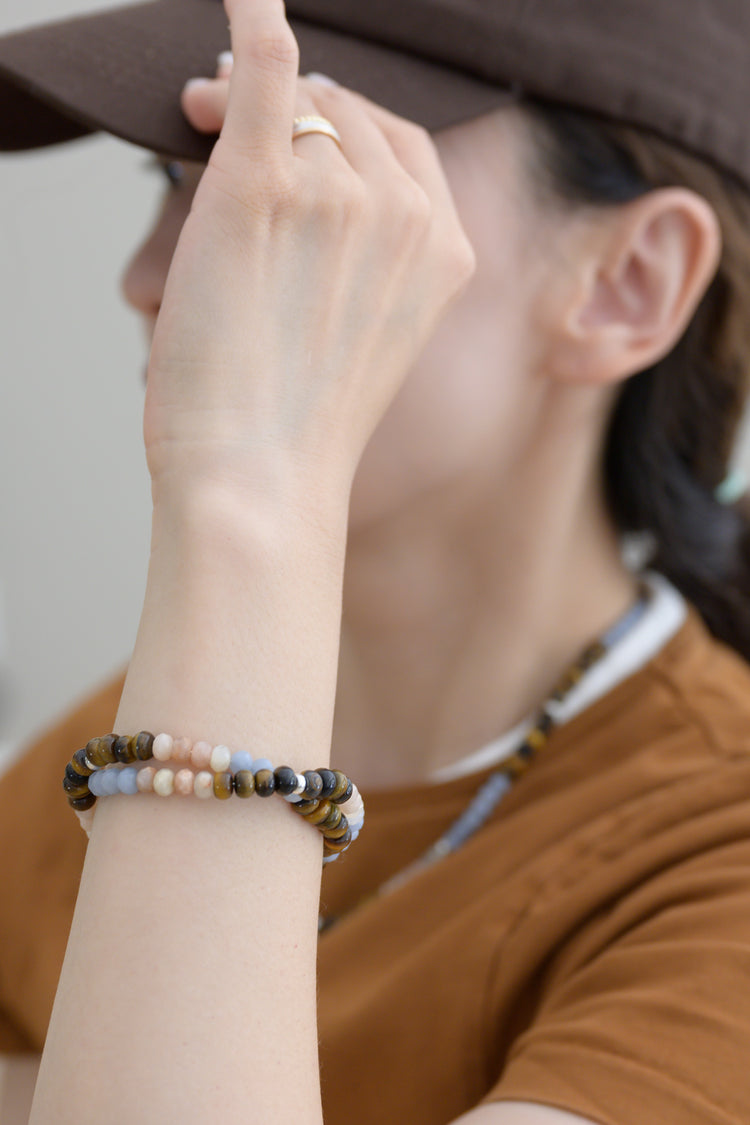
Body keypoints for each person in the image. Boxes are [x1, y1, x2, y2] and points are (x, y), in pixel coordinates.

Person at [1, 0, 750, 1121]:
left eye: (310, 177)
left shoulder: (710, 863)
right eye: (175, 184)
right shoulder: (95, 767)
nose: (158, 276)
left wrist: (252, 492)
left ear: (627, 282)